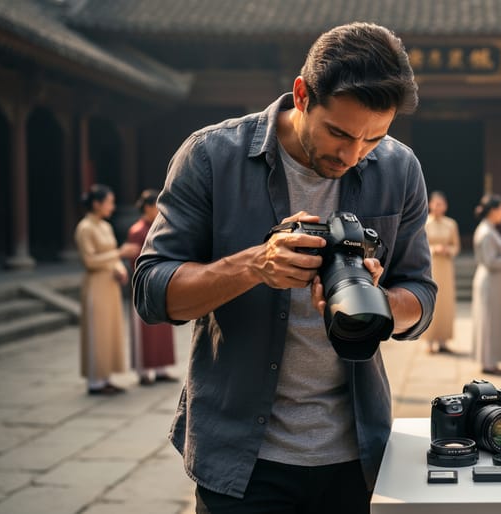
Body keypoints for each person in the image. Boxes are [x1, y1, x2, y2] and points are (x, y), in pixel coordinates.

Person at [132, 23, 436, 513]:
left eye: (373, 138)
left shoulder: (399, 169)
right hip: (240, 458)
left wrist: (377, 300)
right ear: (301, 94)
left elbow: (421, 297)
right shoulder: (212, 157)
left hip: (358, 454)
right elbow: (151, 292)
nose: (353, 154)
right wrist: (255, 264)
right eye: (338, 132)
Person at [74, 184, 140, 395]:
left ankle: (106, 377)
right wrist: (119, 255)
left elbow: (111, 254)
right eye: (109, 202)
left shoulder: (105, 226)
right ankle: (95, 381)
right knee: (96, 332)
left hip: (110, 284)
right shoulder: (85, 228)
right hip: (96, 286)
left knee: (109, 331)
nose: (112, 206)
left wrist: (119, 269)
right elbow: (90, 261)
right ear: (96, 204)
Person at [126, 189, 177, 385]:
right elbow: (135, 260)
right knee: (145, 329)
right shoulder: (137, 230)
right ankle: (144, 371)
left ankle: (161, 369)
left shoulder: (160, 226)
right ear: (147, 207)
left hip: (162, 283)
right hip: (146, 284)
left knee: (163, 328)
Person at [471, 194, 501, 376]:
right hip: (489, 280)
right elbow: (490, 261)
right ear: (493, 210)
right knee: (489, 321)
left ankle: (490, 360)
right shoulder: (485, 231)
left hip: (493, 281)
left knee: (492, 320)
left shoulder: (489, 229)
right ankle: (488, 362)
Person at [422, 191, 460, 354]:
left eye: (441, 204)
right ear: (430, 204)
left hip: (445, 266)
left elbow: (456, 246)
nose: (438, 207)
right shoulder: (424, 223)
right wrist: (433, 249)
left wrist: (448, 250)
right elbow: (419, 245)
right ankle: (429, 340)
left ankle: (443, 340)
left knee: (445, 303)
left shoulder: (451, 224)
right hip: (430, 266)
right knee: (431, 301)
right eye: (436, 203)